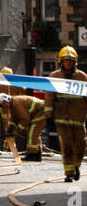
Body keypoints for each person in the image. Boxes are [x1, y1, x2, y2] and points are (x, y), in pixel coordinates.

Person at [43, 47, 87, 181]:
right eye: (65, 60)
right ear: (61, 62)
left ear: (75, 62)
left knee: (81, 145)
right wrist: (49, 117)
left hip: (78, 117)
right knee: (66, 145)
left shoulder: (82, 77)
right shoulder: (54, 77)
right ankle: (68, 173)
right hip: (61, 117)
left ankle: (76, 166)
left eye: (70, 60)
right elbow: (49, 97)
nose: (68, 62)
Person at [0, 67, 46, 162]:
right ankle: (37, 154)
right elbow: (15, 119)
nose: (3, 107)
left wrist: (18, 131)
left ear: (6, 101)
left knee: (32, 133)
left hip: (41, 112)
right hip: (36, 113)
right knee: (34, 133)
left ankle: (32, 155)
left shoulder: (16, 103)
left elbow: (24, 119)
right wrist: (10, 129)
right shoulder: (13, 105)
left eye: (3, 105)